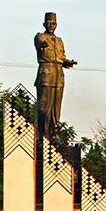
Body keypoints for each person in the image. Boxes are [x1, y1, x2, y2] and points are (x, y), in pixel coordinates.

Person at [34, 12, 77, 141]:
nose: (51, 26)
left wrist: (67, 62)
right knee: (44, 107)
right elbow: (39, 43)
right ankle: (42, 135)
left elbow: (61, 56)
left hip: (58, 74)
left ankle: (54, 134)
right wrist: (42, 45)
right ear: (44, 24)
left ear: (56, 25)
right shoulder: (40, 36)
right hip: (46, 73)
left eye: (53, 24)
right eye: (49, 23)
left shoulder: (59, 41)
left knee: (56, 108)